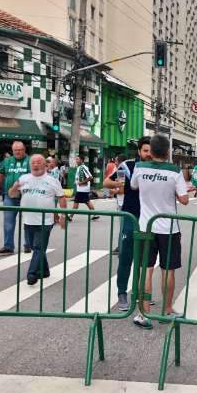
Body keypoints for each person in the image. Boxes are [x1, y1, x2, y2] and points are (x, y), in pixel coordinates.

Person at [130, 134, 189, 328]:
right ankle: (167, 310)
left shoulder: (139, 168)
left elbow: (133, 186)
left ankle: (143, 313)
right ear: (168, 151)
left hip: (145, 226)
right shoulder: (175, 171)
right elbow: (184, 200)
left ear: (151, 151)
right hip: (168, 228)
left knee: (146, 270)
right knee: (168, 270)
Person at [104, 137, 151, 311]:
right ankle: (122, 292)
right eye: (145, 151)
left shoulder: (156, 167)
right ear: (139, 151)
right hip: (131, 217)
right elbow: (107, 182)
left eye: (151, 151)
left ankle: (142, 294)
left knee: (146, 259)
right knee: (126, 257)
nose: (148, 154)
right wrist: (119, 184)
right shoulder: (129, 166)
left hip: (150, 220)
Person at [8, 155, 66, 285]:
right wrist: (15, 186)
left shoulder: (52, 180)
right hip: (28, 220)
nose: (35, 165)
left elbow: (61, 198)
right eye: (33, 162)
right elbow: (12, 194)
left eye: (39, 162)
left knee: (39, 247)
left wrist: (63, 216)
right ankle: (44, 271)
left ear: (45, 165)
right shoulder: (24, 179)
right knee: (36, 248)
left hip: (45, 221)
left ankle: (32, 274)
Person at [0, 140, 31, 254]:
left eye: (20, 150)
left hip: (26, 196)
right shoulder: (7, 161)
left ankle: (28, 245)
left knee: (28, 221)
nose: (17, 152)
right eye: (15, 150)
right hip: (9, 195)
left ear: (24, 150)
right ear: (12, 150)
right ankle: (8, 246)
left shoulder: (30, 161)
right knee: (8, 222)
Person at [70, 155, 99, 221]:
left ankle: (70, 217)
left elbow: (90, 177)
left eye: (77, 159)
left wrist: (81, 183)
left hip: (82, 189)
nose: (76, 161)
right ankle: (95, 214)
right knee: (87, 202)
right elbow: (81, 177)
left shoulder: (83, 167)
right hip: (82, 189)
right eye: (76, 159)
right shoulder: (79, 167)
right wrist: (77, 182)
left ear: (81, 160)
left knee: (76, 202)